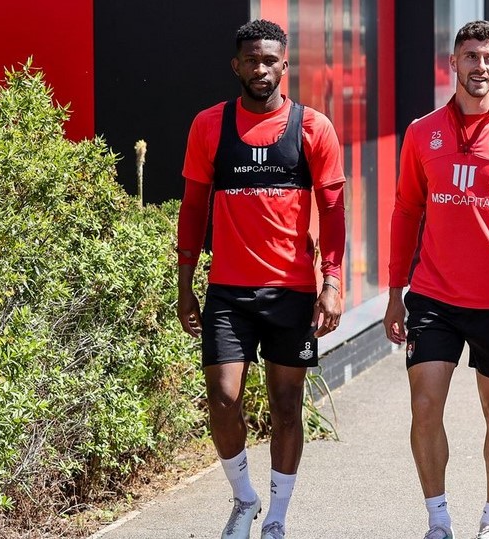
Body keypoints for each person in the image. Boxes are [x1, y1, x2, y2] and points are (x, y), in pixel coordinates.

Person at [176, 19, 346, 539]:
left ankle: (275, 517)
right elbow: (192, 210)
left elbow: (334, 212)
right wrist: (184, 284)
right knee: (223, 400)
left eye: (269, 60)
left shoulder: (312, 128)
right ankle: (244, 499)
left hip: (291, 292)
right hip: (228, 290)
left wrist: (332, 283)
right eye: (251, 59)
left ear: (284, 65)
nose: (260, 68)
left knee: (287, 406)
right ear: (237, 65)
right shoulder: (209, 125)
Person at [383, 20, 489, 539]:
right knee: (425, 404)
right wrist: (394, 294)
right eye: (471, 57)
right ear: (452, 63)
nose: (480, 67)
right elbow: (406, 210)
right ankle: (438, 521)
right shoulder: (421, 132)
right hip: (433, 296)